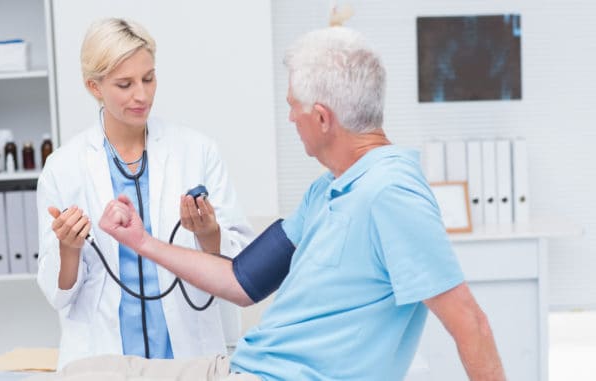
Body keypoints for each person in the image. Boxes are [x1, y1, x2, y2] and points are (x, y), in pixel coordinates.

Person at [36, 26, 506, 381]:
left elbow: (472, 324)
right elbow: (243, 281)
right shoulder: (329, 189)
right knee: (84, 372)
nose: (289, 117)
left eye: (292, 106)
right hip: (246, 368)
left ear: (322, 118)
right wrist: (140, 240)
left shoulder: (392, 194)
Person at [35, 17, 253, 369]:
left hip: (188, 355)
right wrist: (68, 248)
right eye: (125, 84)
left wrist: (209, 233)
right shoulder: (64, 167)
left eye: (148, 79)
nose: (142, 95)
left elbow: (240, 263)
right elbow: (59, 294)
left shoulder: (197, 151)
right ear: (94, 86)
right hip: (104, 360)